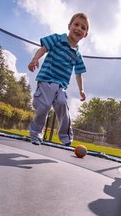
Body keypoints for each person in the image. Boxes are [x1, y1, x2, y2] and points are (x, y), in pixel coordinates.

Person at [28, 13, 89, 146]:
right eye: (76, 24)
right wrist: (35, 59)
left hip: (60, 86)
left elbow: (79, 74)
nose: (79, 28)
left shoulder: (77, 55)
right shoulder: (57, 39)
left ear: (85, 34)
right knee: (43, 107)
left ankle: (65, 137)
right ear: (69, 26)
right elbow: (43, 49)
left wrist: (81, 90)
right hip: (46, 80)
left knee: (62, 104)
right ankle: (36, 134)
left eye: (83, 28)